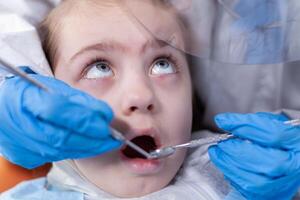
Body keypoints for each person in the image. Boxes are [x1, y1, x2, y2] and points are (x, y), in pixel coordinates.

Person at [0, 0, 300, 199]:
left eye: (162, 64)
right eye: (100, 67)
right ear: (50, 87)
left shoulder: (241, 184)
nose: (141, 96)